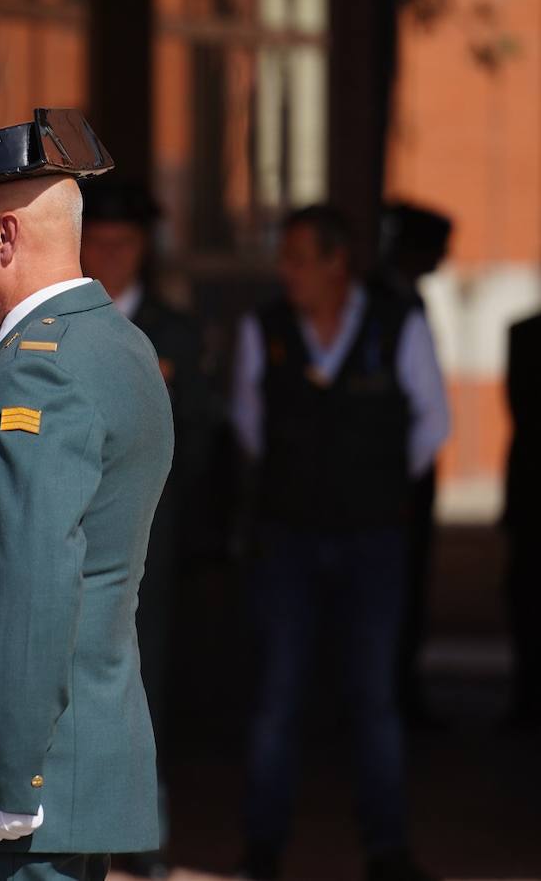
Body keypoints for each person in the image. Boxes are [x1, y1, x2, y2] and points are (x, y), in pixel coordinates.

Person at [0, 109, 174, 881]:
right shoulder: (113, 342)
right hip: (75, 746)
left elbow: (36, 582)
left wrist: (10, 774)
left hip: (23, 773)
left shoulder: (38, 368)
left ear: (7, 238)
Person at [230, 205, 449, 881]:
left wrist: (372, 484)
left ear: (336, 262)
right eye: (284, 257)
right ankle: (262, 849)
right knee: (277, 695)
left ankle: (386, 849)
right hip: (289, 535)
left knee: (375, 697)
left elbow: (433, 422)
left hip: (373, 539)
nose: (286, 271)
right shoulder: (262, 329)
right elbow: (249, 421)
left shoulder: (397, 324)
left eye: (299, 257)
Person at [80, 179, 209, 878]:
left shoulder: (176, 330)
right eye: (96, 241)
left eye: (123, 243)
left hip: (150, 539)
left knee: (145, 677)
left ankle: (146, 834)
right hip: (75, 531)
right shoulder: (59, 324)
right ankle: (86, 826)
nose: (110, 255)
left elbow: (203, 440)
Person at [375, 202, 453, 726]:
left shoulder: (404, 301)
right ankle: (392, 691)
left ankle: (400, 686)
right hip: (386, 476)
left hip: (403, 474)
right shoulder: (387, 304)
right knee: (389, 591)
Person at [503, 310, 541, 730]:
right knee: (526, 594)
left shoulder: (523, 335)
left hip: (529, 486)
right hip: (531, 490)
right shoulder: (524, 334)